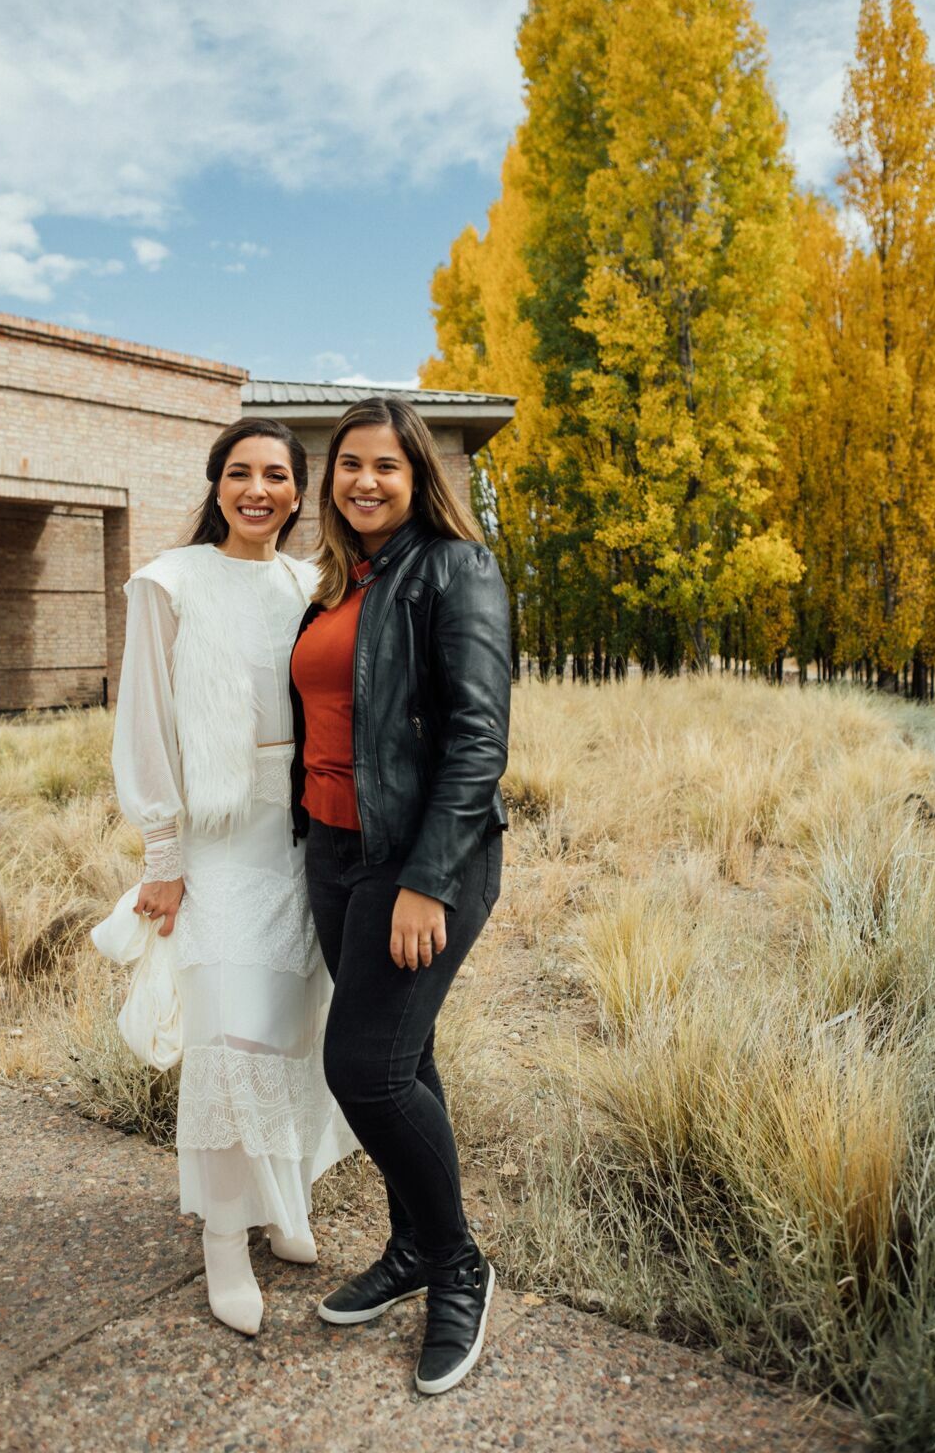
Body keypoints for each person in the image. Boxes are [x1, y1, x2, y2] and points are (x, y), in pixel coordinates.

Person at [112, 418, 356, 1338]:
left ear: (299, 491)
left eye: (277, 476)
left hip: (302, 832)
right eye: (240, 473)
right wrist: (163, 858)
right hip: (216, 838)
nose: (259, 490)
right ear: (217, 484)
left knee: (291, 1028)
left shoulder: (308, 585)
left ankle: (282, 1200)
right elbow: (145, 721)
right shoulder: (168, 582)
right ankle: (223, 1238)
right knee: (227, 1037)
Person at [289, 396, 511, 1395]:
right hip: (333, 852)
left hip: (419, 860)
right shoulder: (339, 582)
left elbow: (477, 739)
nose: (365, 480)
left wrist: (426, 880)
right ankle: (412, 1245)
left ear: (417, 476)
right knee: (401, 1057)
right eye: (349, 464)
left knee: (364, 1072)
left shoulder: (454, 569)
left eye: (385, 464)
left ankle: (456, 1262)